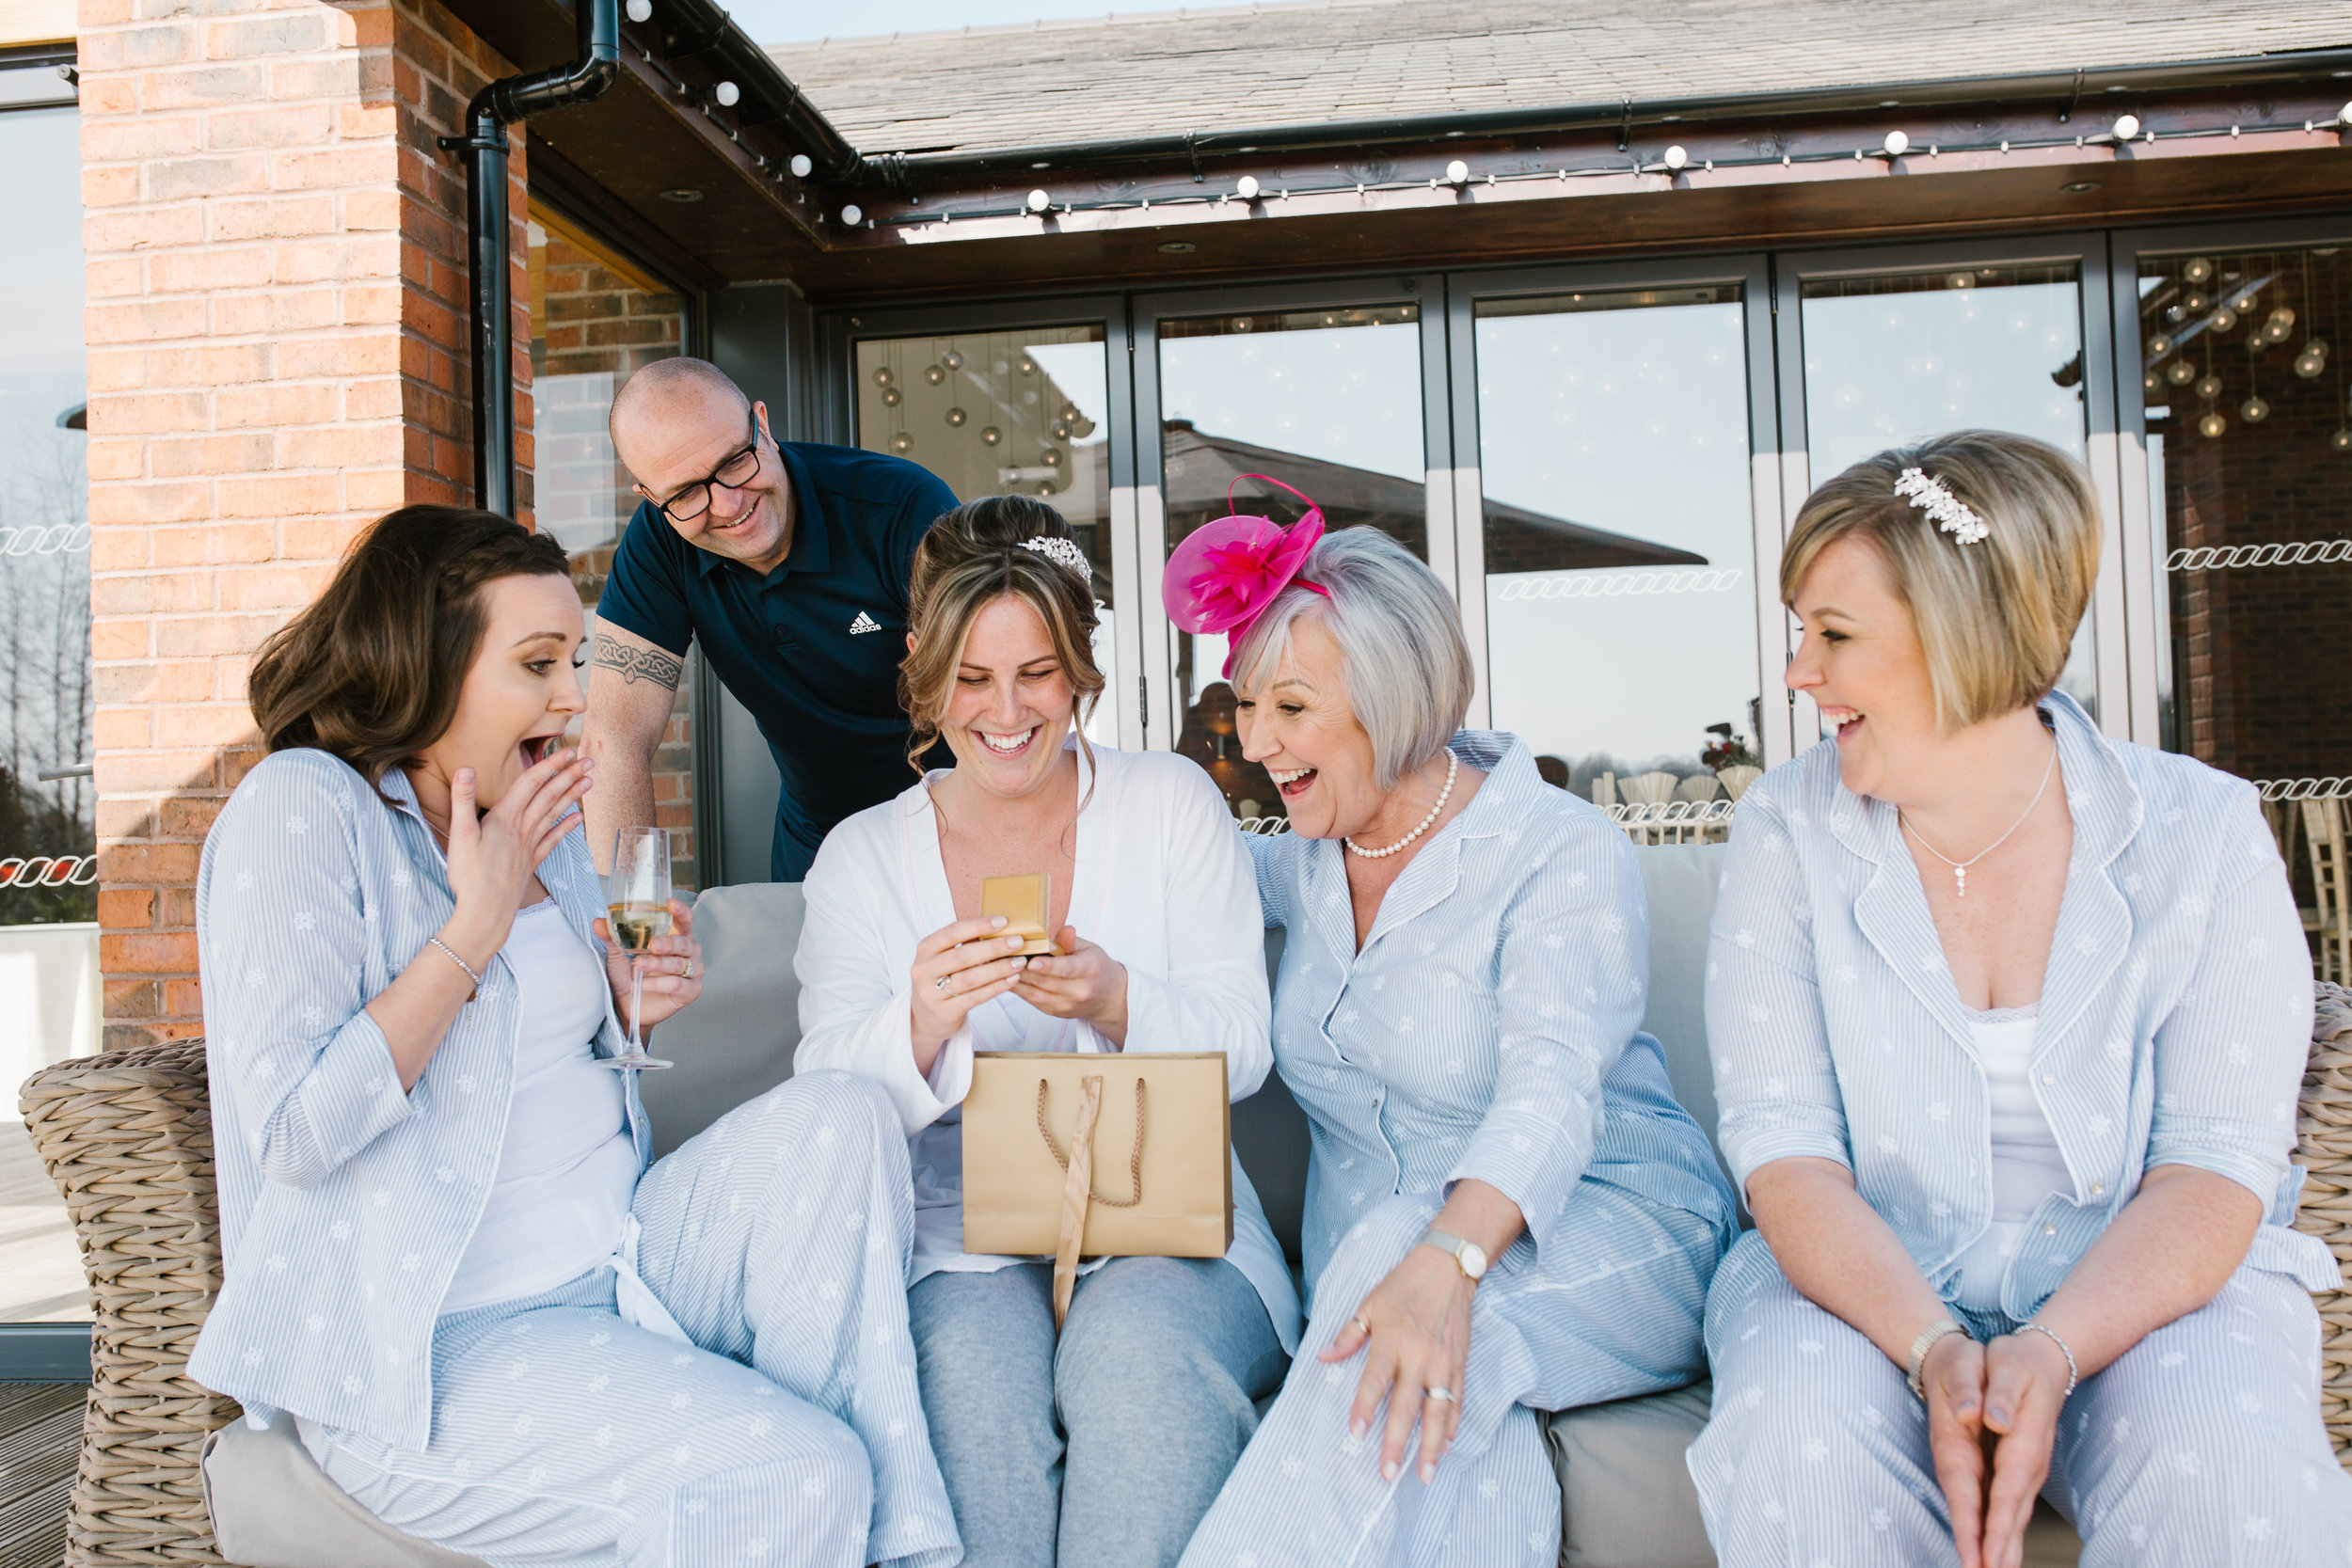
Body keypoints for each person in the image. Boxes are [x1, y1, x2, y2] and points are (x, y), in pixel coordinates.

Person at [190, 506, 959, 1568]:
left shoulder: (533, 812)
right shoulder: (307, 806)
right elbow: (293, 1133)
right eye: (539, 661)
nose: (573, 692)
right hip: (437, 1343)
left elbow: (531, 1057)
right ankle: (821, 1501)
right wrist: (475, 922)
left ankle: (863, 1528)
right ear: (429, 662)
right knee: (794, 1470)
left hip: (620, 1249)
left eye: (577, 657)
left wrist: (625, 1008)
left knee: (841, 1113)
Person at [1689, 430, 2352, 1567]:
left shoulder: (2201, 832)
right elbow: (1785, 1150)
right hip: (1865, 1283)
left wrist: (2049, 1347)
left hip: (2142, 1279)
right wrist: (1931, 1344)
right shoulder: (1784, 828)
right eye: (1804, 631)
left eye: (1833, 635)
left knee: (2232, 1468)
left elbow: (2214, 1161)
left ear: (1964, 636)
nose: (1798, 672)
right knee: (1799, 1441)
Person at [1172, 508, 1737, 1568]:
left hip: (1610, 1229)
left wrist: (1449, 1253)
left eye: (1291, 706)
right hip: (1382, 1258)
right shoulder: (1297, 861)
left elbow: (1551, 1090)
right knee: (1435, 1391)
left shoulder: (1555, 850)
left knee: (1399, 1262)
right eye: (1246, 706)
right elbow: (1155, 881)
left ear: (1390, 705)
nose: (1253, 744)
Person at [793, 496, 1302, 1568]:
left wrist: (1118, 997)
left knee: (1142, 1367)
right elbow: (822, 1097)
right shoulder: (861, 856)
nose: (1006, 711)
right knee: (972, 1403)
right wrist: (921, 1018)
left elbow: (1245, 1045)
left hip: (1168, 1216)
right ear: (927, 673)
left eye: (1035, 672)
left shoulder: (1170, 803)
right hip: (955, 1235)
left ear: (1078, 667)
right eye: (972, 679)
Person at [583, 356, 959, 881]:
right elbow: (614, 739)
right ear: (650, 497)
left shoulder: (900, 507)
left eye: (735, 460)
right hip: (818, 843)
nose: (728, 504)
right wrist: (629, 924)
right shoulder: (660, 542)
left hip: (957, 816)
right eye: (687, 493)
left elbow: (987, 688)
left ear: (763, 424)